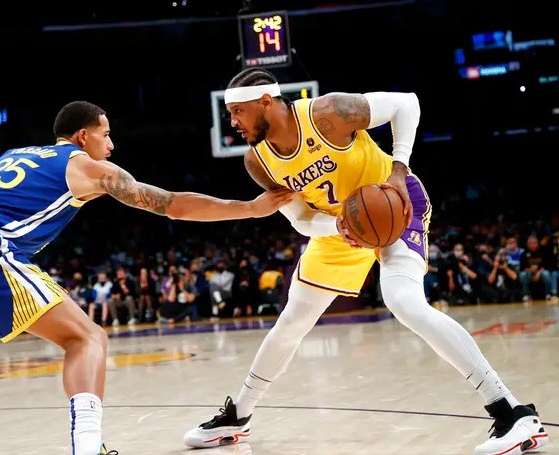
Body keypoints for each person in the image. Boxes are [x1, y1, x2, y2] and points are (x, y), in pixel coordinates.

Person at [183, 68, 547, 455]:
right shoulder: (259, 162)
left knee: (404, 301)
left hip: (394, 206)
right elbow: (301, 219)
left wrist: (398, 170)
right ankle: (238, 417)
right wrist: (340, 227)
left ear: (266, 102)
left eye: (238, 112)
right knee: (292, 322)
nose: (233, 122)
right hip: (340, 227)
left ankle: (513, 413)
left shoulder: (328, 113)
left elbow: (406, 104)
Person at [0, 100, 292, 455]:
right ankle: (88, 448)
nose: (111, 145)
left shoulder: (17, 154)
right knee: (87, 338)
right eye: (105, 135)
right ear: (82, 136)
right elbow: (171, 204)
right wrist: (250, 208)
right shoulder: (88, 168)